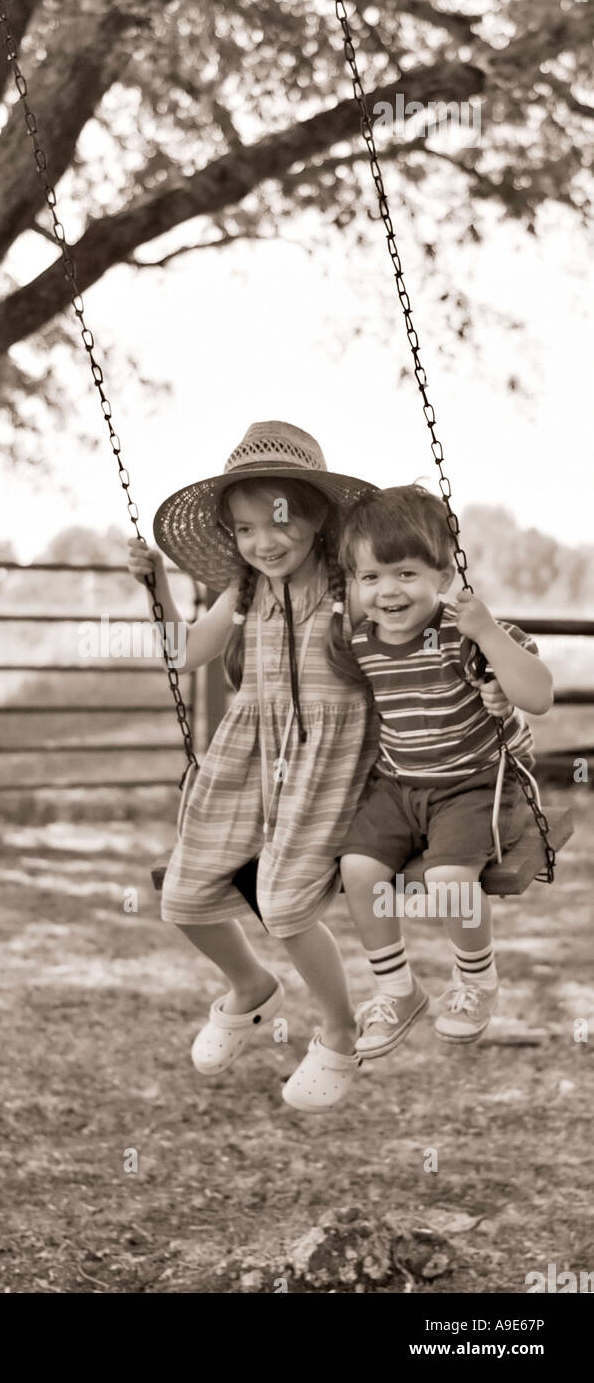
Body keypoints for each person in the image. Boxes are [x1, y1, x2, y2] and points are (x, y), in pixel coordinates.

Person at [128, 422, 507, 1112]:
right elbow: (186, 654)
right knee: (181, 894)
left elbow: (417, 604)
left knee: (283, 902)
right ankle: (251, 989)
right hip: (249, 753)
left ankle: (336, 1032)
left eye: (278, 521)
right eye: (244, 529)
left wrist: (482, 655)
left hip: (330, 760)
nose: (263, 541)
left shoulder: (351, 584)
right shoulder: (244, 592)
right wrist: (155, 582)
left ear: (316, 518)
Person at [335, 484, 554, 1057]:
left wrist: (488, 637)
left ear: (444, 576)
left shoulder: (463, 632)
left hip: (473, 783)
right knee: (357, 869)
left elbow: (539, 694)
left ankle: (476, 981)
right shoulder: (360, 641)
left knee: (448, 881)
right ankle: (398, 991)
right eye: (371, 577)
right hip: (399, 784)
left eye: (406, 573)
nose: (388, 591)